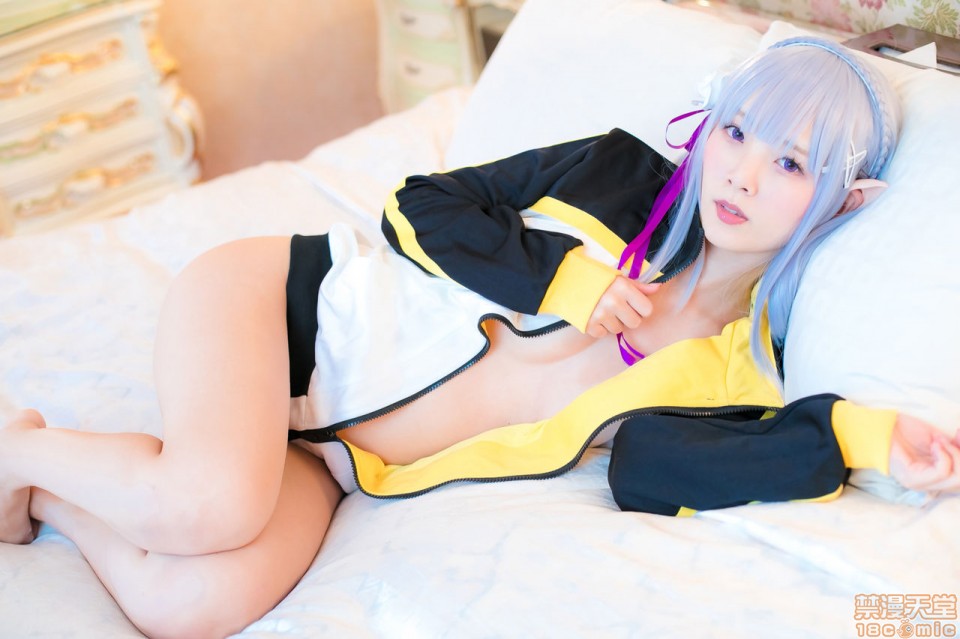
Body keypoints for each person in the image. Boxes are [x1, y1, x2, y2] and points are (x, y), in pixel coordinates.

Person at [1, 37, 958, 638]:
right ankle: (18, 451)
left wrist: (856, 435)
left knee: (189, 606)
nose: (742, 173)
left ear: (846, 202)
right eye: (738, 132)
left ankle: (41, 483)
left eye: (790, 162)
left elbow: (648, 469)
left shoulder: (738, 371)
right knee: (209, 506)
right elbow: (419, 205)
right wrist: (560, 278)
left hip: (334, 455)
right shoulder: (615, 173)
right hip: (285, 309)